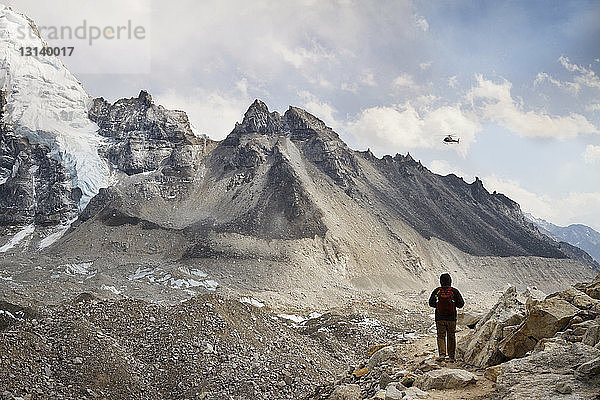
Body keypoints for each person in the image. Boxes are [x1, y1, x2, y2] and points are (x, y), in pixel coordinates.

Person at [428, 273, 464, 362]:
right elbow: (461, 304)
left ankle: (442, 355)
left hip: (440, 318)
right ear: (450, 281)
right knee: (451, 336)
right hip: (452, 318)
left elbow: (431, 303)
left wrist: (438, 305)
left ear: (441, 281)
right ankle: (451, 357)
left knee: (441, 336)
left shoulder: (437, 291)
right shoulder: (454, 291)